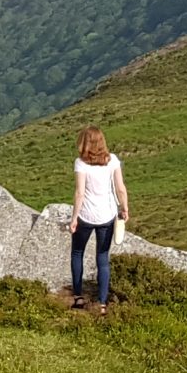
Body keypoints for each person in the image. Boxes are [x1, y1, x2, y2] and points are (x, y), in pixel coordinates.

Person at [70, 125, 128, 311]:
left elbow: (80, 193)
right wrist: (124, 208)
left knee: (77, 253)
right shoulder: (113, 161)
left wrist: (74, 218)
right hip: (107, 215)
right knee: (102, 257)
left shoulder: (81, 163)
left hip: (86, 215)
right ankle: (102, 303)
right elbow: (120, 188)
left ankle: (78, 297)